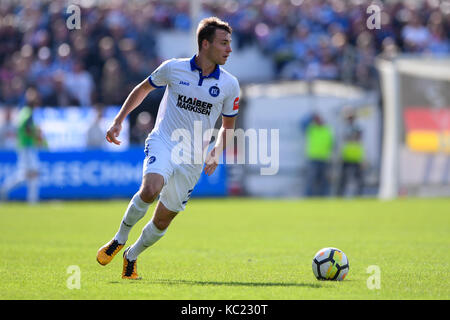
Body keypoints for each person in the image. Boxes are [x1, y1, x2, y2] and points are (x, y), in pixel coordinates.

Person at [96, 17, 239, 280]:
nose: (229, 49)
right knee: (151, 188)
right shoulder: (174, 68)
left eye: (230, 43)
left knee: (163, 220)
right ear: (205, 44)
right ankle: (118, 239)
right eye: (224, 43)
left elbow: (228, 126)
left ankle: (132, 255)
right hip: (164, 140)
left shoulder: (230, 84)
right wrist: (118, 121)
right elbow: (141, 90)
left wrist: (216, 151)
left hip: (194, 156)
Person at [0, 88, 46, 204]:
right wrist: (37, 135)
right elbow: (27, 130)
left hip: (24, 146)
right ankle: (32, 200)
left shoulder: (23, 112)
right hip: (27, 147)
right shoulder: (28, 114)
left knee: (26, 174)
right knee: (32, 172)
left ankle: (6, 190)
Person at [301, 113, 334, 197]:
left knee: (324, 180)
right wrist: (310, 116)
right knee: (311, 179)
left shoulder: (327, 129)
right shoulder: (311, 129)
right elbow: (302, 124)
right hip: (313, 158)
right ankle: (308, 197)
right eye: (316, 119)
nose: (318, 121)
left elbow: (332, 144)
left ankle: (324, 197)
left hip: (324, 158)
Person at [337, 110, 365, 197]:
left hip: (357, 157)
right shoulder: (344, 127)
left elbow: (358, 137)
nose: (350, 119)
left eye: (351, 117)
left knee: (358, 179)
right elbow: (346, 138)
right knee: (343, 179)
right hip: (346, 156)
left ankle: (358, 195)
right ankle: (340, 196)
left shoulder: (358, 126)